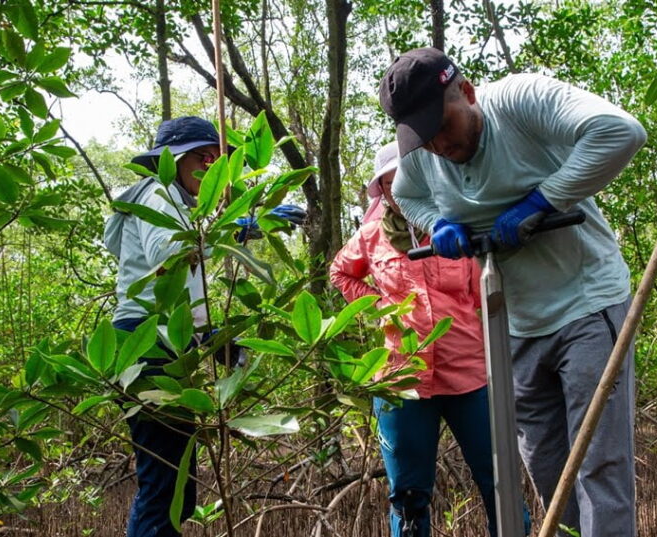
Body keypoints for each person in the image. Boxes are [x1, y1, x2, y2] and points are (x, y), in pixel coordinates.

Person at [379, 48, 647, 536]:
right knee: (547, 467)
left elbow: (621, 132)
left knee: (596, 467)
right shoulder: (422, 154)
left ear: (467, 92)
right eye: (423, 135)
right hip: (513, 323)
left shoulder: (521, 101)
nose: (438, 144)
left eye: (443, 125)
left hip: (585, 303)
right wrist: (435, 222)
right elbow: (407, 193)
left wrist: (544, 200)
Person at [103, 116, 305, 536]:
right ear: (173, 160)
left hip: (165, 342)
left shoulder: (179, 201)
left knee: (176, 488)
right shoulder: (159, 193)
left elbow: (180, 289)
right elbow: (169, 255)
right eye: (202, 157)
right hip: (146, 344)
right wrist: (233, 227)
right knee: (164, 486)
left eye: (217, 160)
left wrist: (211, 339)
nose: (211, 167)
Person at [329, 142, 529, 537]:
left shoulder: (459, 223)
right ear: (382, 191)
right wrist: (381, 307)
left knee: (499, 482)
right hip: (401, 380)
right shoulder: (370, 236)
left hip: (469, 373)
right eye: (390, 183)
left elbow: (485, 295)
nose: (400, 189)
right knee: (407, 496)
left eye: (407, 178)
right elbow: (341, 272)